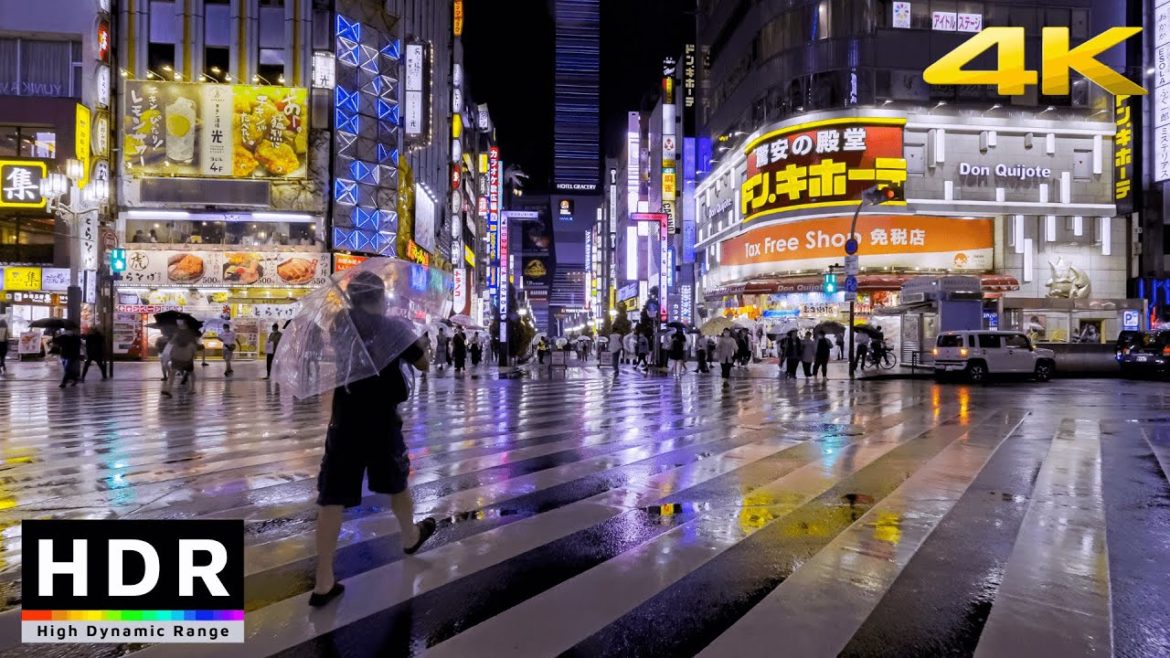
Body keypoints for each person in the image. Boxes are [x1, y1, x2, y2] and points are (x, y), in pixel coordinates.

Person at [310, 272, 436, 608]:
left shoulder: (340, 326)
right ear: (380, 297)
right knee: (396, 483)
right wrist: (420, 345)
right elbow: (423, 364)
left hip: (345, 420)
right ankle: (410, 536)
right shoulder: (394, 329)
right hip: (381, 421)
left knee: (332, 497)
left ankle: (323, 579)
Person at [162, 331, 198, 398]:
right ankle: (169, 389)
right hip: (183, 360)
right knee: (190, 373)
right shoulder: (187, 343)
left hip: (184, 360)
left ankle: (169, 389)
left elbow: (172, 350)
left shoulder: (186, 343)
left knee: (189, 372)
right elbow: (195, 353)